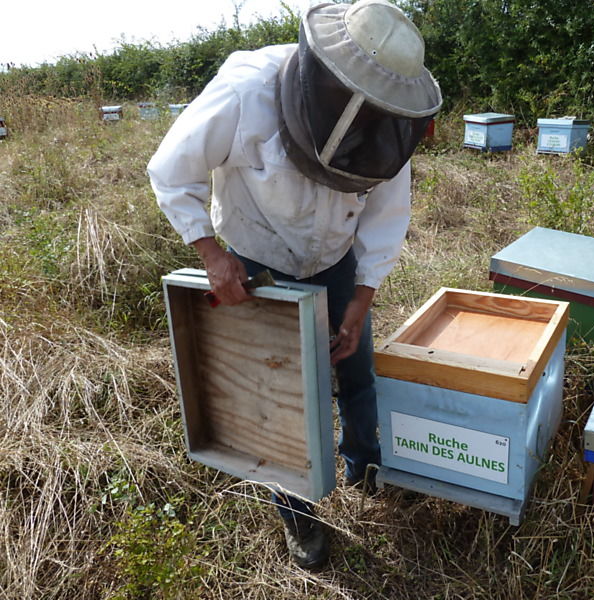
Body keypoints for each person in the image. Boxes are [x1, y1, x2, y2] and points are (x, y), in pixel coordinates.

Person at [147, 0, 441, 570]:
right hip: (255, 269)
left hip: (335, 264)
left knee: (356, 372)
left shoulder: (391, 119)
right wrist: (210, 254)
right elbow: (170, 169)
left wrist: (360, 300)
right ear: (324, 78)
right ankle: (299, 514)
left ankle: (365, 461)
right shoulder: (244, 91)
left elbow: (386, 215)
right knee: (275, 397)